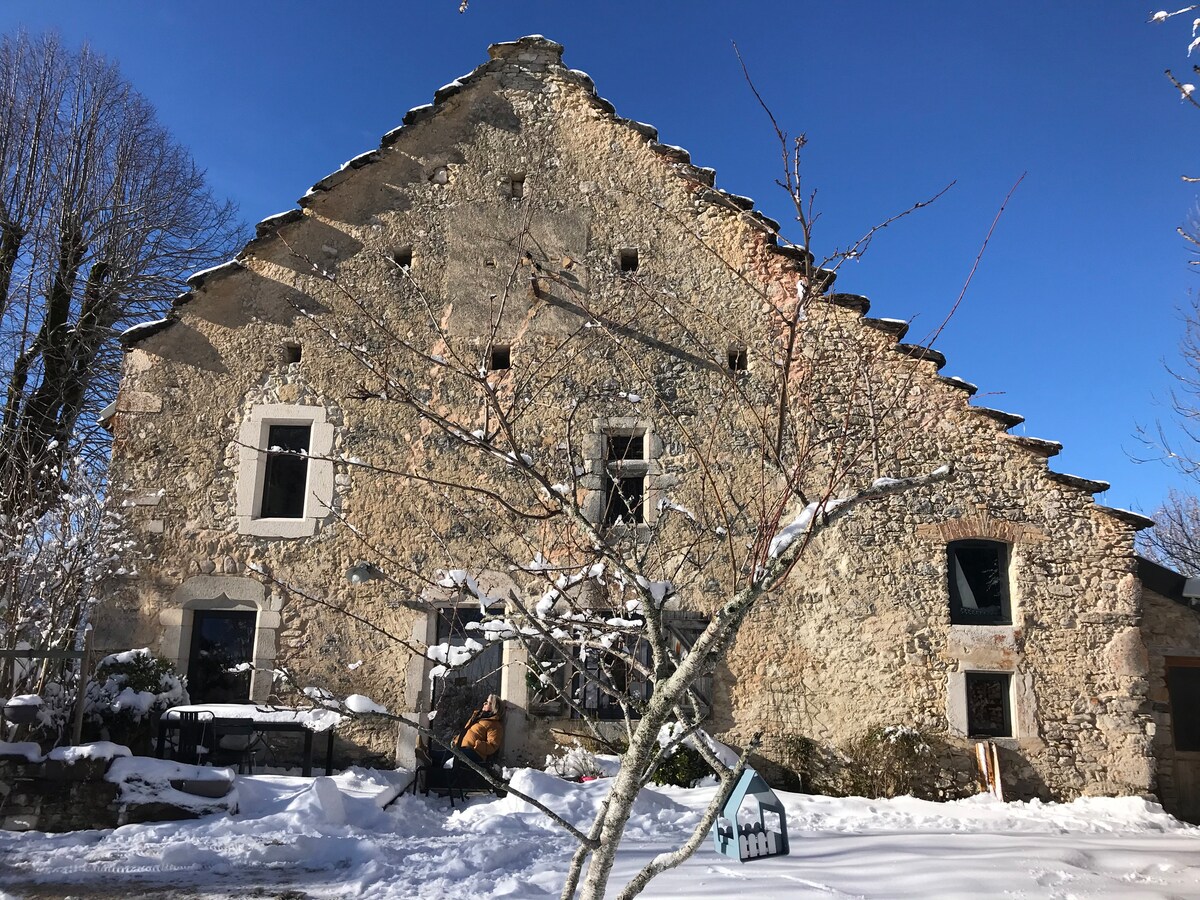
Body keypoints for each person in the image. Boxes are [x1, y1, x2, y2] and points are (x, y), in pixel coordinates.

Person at [454, 693, 505, 764]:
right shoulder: (477, 717)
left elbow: (493, 746)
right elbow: (466, 732)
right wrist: (456, 740)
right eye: (486, 701)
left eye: (488, 703)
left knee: (450, 757)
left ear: (494, 708)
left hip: (474, 753)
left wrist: (477, 745)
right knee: (436, 755)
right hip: (460, 748)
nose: (484, 703)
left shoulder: (495, 725)